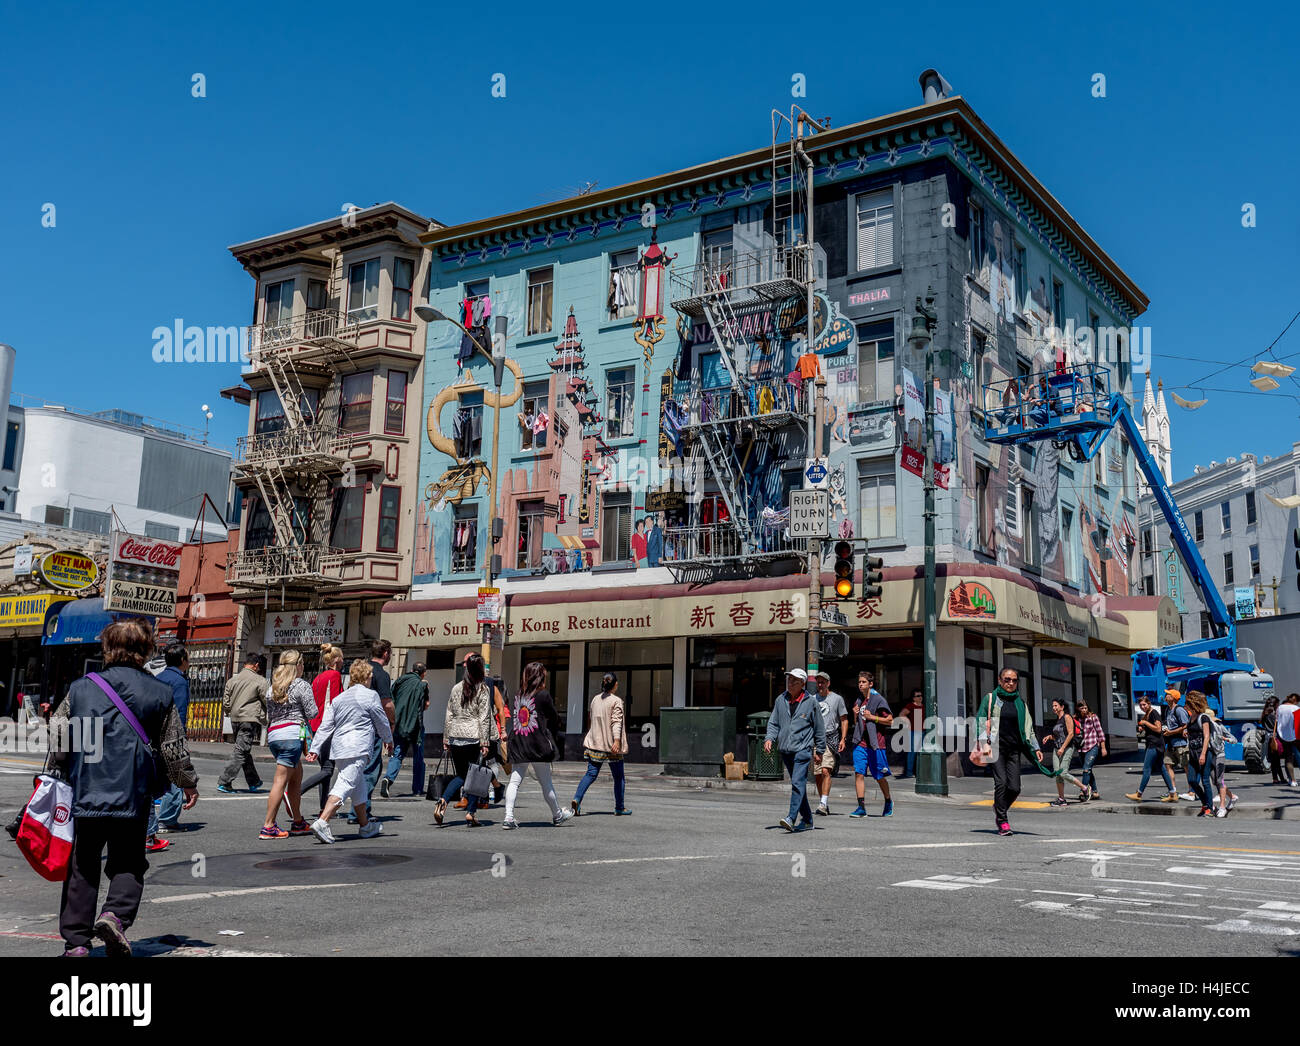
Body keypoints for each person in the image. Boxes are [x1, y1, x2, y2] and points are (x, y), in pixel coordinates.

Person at [47, 619, 199, 957]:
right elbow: (173, 747)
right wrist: (187, 782)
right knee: (129, 861)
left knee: (83, 864)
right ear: (147, 650)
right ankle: (115, 914)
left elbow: (58, 735)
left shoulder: (81, 688)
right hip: (135, 792)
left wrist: (62, 768)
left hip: (86, 791)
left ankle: (76, 944)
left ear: (107, 648)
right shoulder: (160, 692)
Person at [305, 660, 392, 843]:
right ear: (368, 677)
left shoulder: (339, 698)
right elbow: (381, 720)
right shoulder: (370, 696)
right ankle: (322, 821)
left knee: (357, 785)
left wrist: (315, 748)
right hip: (358, 746)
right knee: (346, 782)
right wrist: (389, 740)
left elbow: (326, 726)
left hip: (340, 747)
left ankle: (365, 825)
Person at [502, 660, 573, 829]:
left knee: (514, 782)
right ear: (540, 677)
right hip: (538, 745)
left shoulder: (520, 694)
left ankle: (508, 817)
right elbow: (554, 717)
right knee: (546, 782)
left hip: (519, 743)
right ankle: (557, 815)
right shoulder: (543, 695)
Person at [974, 667, 1043, 836]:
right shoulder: (991, 698)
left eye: (1014, 680)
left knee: (1015, 787)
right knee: (1001, 783)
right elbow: (981, 720)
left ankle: (999, 807)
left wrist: (1036, 747)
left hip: (1014, 750)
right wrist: (984, 743)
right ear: (999, 680)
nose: (1010, 683)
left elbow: (1029, 727)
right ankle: (1002, 820)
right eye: (1007, 679)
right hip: (995, 748)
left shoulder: (1020, 703)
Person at [259, 650, 317, 840]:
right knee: (281, 781)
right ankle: (268, 826)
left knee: (296, 777)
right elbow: (312, 712)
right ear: (298, 665)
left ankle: (298, 821)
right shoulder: (301, 685)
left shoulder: (272, 686)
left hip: (275, 736)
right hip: (292, 736)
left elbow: (269, 714)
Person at [434, 653, 492, 827]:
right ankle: (471, 813)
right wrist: (485, 742)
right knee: (475, 777)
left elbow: (449, 714)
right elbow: (484, 717)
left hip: (456, 735)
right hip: (473, 737)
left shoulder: (456, 688)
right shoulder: (482, 689)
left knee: (461, 775)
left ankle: (443, 801)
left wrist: (446, 738)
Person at [763, 668, 825, 832]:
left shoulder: (811, 702)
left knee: (798, 783)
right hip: (786, 749)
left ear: (803, 684)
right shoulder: (780, 700)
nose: (790, 683)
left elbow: (819, 727)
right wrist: (769, 738)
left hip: (803, 749)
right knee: (799, 786)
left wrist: (820, 750)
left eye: (794, 681)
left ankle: (791, 818)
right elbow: (773, 722)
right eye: (789, 680)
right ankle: (808, 819)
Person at [570, 672, 631, 816]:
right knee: (619, 777)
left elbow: (592, 719)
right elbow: (616, 722)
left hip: (595, 743)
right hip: (611, 746)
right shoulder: (616, 701)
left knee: (591, 774)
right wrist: (617, 740)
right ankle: (619, 807)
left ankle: (577, 799)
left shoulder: (595, 699)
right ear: (614, 684)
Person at [149, 642, 191, 843]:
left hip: (153, 731)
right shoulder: (179, 681)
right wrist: (179, 736)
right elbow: (179, 711)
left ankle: (155, 822)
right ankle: (167, 819)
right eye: (188, 658)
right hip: (171, 733)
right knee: (176, 773)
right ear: (182, 660)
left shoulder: (158, 678)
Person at [353, 639, 396, 823]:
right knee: (371, 770)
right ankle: (361, 812)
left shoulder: (362, 670)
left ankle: (356, 809)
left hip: (355, 725)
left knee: (358, 769)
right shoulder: (381, 674)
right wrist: (391, 723)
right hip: (373, 728)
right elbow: (387, 703)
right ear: (385, 653)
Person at [218, 653, 267, 793]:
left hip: (235, 718)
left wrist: (231, 711)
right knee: (241, 751)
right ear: (256, 665)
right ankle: (224, 781)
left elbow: (226, 703)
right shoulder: (260, 680)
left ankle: (254, 781)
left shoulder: (232, 680)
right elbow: (266, 699)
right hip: (250, 719)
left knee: (243, 750)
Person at [847, 670, 893, 818]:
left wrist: (873, 717)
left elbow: (890, 720)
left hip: (876, 744)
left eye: (863, 682)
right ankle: (861, 807)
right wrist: (855, 713)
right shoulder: (859, 700)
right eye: (859, 682)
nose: (860, 684)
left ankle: (888, 801)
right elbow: (857, 722)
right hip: (860, 743)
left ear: (870, 684)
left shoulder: (878, 699)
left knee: (879, 775)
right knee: (859, 773)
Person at [305, 644, 345, 814]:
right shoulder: (335, 675)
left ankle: (323, 807)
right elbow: (336, 703)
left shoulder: (318, 678)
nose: (343, 661)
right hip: (327, 727)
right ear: (337, 660)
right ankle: (297, 791)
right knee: (328, 769)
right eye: (342, 658)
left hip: (315, 726)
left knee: (325, 768)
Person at [382, 662, 429, 797]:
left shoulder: (399, 681)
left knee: (398, 754)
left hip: (399, 724)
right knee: (418, 757)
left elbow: (391, 699)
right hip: (415, 726)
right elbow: (426, 705)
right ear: (423, 673)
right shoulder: (422, 684)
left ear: (411, 670)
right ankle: (418, 789)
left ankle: (388, 778)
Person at [1126, 696, 1178, 803]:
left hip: (1155, 744)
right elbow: (1151, 728)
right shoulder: (1147, 714)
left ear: (1149, 704)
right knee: (1162, 769)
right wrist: (1143, 727)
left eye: (1144, 705)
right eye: (1140, 705)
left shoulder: (1154, 713)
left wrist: (1145, 723)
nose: (1142, 707)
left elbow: (1158, 729)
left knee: (1147, 769)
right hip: (1155, 744)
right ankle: (1173, 794)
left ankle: (1139, 793)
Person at [811, 671, 848, 814]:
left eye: (823, 682)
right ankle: (823, 803)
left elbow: (844, 719)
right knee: (818, 774)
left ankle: (822, 803)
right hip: (816, 739)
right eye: (818, 682)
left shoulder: (837, 699)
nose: (820, 684)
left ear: (828, 683)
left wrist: (843, 739)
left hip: (830, 738)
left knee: (826, 770)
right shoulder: (812, 699)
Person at [1042, 699, 1087, 806]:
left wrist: (1062, 748)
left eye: (1056, 705)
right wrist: (1049, 737)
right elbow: (1058, 736)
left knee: (1063, 772)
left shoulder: (1067, 717)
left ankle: (1084, 788)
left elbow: (1070, 734)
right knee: (1057, 774)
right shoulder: (1057, 720)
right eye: (1053, 706)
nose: (1054, 708)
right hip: (1056, 748)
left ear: (1062, 707)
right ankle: (1062, 799)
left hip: (1067, 748)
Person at [1185, 690, 1217, 817]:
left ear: (1193, 704)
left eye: (1187, 704)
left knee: (1205, 780)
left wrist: (1203, 754)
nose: (1185, 706)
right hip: (1192, 752)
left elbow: (1207, 736)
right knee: (1192, 780)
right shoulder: (1190, 718)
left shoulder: (1203, 717)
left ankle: (1209, 808)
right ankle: (1205, 803)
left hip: (1203, 752)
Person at [1161, 687, 1194, 801]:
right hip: (1170, 743)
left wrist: (1171, 732)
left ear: (1173, 698)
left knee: (1186, 767)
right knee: (1168, 765)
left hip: (1181, 743)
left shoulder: (1179, 710)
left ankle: (1191, 790)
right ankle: (1173, 790)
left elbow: (1186, 725)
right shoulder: (1167, 710)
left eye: (1168, 695)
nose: (1166, 696)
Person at [1075, 699, 1107, 801]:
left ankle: (1083, 790)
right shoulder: (1075, 719)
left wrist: (1103, 748)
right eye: (1082, 708)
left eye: (1085, 708)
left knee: (1086, 769)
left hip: (1092, 746)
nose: (1084, 710)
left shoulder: (1093, 717)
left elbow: (1100, 732)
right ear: (1078, 709)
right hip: (1081, 748)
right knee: (1088, 770)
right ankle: (1095, 791)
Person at [1275, 692, 1300, 787]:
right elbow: (1298, 725)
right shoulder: (1296, 709)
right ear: (1296, 701)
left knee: (1288, 758)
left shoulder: (1279, 708)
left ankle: (1292, 780)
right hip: (1295, 736)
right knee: (1298, 756)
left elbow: (1276, 722)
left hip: (1282, 736)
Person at [899, 688, 924, 779]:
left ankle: (919, 772)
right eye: (918, 696)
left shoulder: (924, 706)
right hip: (913, 731)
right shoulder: (911, 706)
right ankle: (909, 772)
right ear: (913, 698)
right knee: (912, 752)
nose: (920, 697)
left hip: (923, 731)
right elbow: (901, 715)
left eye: (921, 695)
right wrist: (908, 723)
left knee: (920, 752)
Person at [1262, 696, 1285, 784]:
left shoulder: (1265, 713)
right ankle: (1279, 778)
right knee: (1276, 759)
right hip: (1274, 738)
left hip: (1268, 737)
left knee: (1273, 760)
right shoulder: (1273, 714)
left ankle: (1276, 778)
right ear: (1275, 704)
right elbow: (1278, 726)